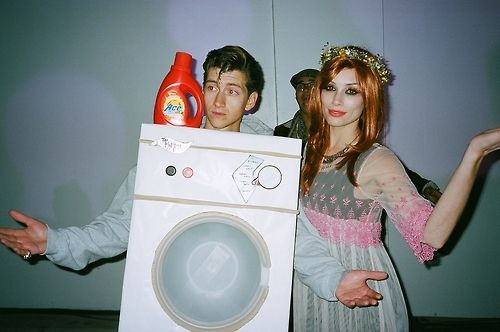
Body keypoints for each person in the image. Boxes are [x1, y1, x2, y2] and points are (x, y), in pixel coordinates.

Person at [0, 45, 273, 270]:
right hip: (171, 284)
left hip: (245, 290)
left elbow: (295, 238)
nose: (219, 102)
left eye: (232, 91)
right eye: (212, 87)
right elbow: (122, 223)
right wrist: (55, 242)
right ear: (201, 90)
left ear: (251, 101)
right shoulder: (169, 149)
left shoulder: (269, 161)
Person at [292, 44, 500, 331]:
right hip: (314, 279)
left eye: (351, 91)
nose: (337, 100)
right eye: (330, 87)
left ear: (369, 99)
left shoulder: (377, 161)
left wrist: (474, 153)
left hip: (360, 287)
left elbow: (433, 236)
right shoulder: (309, 149)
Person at [275, 68, 442, 205]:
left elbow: (377, 163)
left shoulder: (340, 129)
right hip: (299, 213)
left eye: (312, 85)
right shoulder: (281, 133)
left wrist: (425, 187)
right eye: (300, 86)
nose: (305, 91)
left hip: (340, 208)